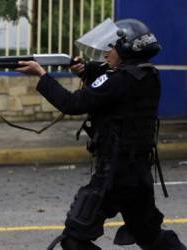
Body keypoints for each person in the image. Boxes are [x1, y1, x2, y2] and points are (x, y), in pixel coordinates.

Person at [16, 18, 187, 250]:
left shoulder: (118, 80)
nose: (107, 53)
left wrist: (42, 76)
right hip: (138, 174)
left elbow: (72, 103)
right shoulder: (147, 75)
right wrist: (86, 71)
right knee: (151, 237)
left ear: (126, 49)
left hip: (114, 176)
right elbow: (111, 89)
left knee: (74, 240)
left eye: (112, 47)